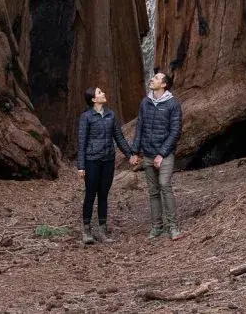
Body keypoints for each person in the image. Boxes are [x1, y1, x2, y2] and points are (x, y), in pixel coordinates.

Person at [76, 86, 136, 245]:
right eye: (99, 93)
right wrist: (81, 166)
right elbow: (81, 143)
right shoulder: (86, 117)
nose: (103, 93)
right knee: (90, 194)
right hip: (91, 161)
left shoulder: (111, 115)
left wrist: (130, 155)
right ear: (94, 100)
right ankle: (87, 230)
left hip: (108, 160)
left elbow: (119, 138)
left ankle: (102, 230)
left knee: (103, 195)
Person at [131, 71, 183, 240]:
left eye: (156, 78)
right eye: (153, 78)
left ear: (164, 85)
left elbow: (175, 131)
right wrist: (135, 151)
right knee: (153, 191)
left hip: (165, 154)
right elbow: (140, 127)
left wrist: (161, 154)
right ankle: (157, 226)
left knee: (164, 185)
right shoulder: (145, 102)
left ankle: (173, 227)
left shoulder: (173, 104)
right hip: (147, 153)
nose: (152, 79)